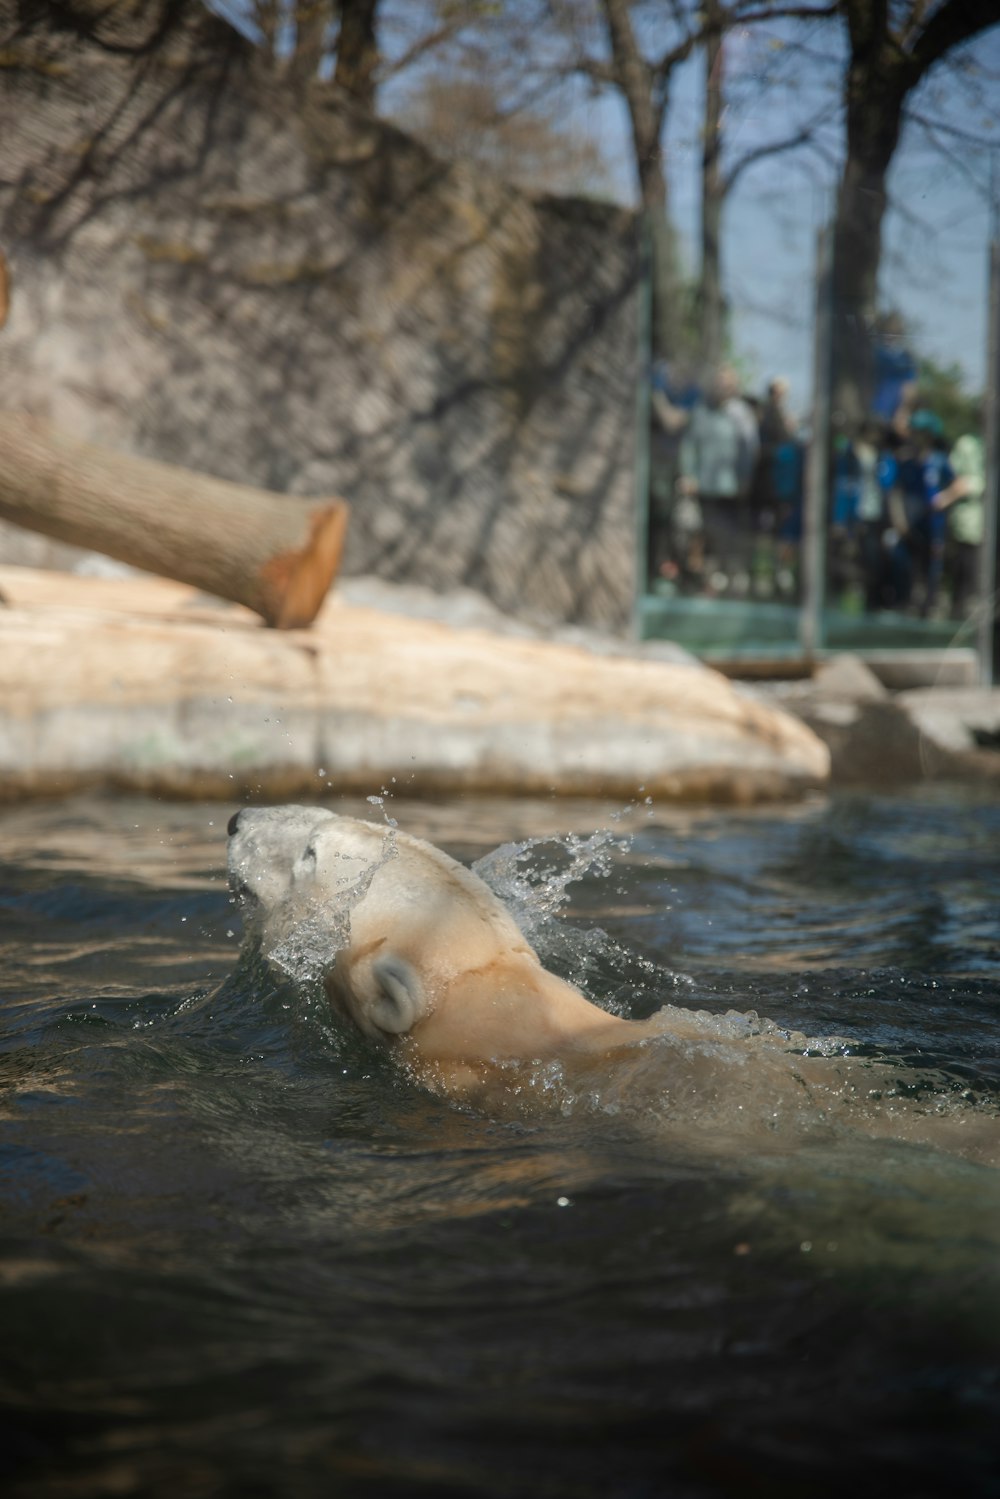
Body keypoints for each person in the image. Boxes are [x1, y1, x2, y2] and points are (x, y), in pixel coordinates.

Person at [676, 366, 759, 595]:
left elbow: (749, 450)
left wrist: (745, 479)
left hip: (730, 489)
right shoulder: (701, 410)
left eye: (727, 383)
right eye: (719, 382)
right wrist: (688, 474)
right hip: (702, 487)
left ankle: (725, 582)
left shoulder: (741, 415)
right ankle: (700, 581)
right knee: (697, 533)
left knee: (726, 538)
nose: (723, 387)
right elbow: (689, 445)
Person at [931, 430, 985, 619]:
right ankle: (958, 608)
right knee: (961, 566)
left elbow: (969, 483)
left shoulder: (981, 446)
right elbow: (957, 478)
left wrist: (948, 496)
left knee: (970, 567)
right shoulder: (968, 443)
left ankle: (965, 607)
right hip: (965, 523)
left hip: (976, 524)